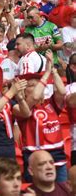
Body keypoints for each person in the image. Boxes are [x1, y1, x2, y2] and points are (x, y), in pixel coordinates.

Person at [18, 51, 68, 183]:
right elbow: (34, 96)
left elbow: (62, 92)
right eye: (32, 85)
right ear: (24, 90)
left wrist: (53, 71)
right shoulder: (22, 107)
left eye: (38, 84)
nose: (38, 87)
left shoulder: (50, 103)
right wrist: (46, 74)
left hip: (57, 156)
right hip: (35, 158)